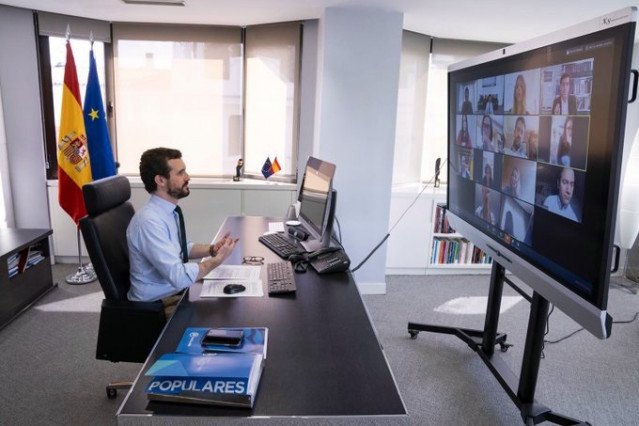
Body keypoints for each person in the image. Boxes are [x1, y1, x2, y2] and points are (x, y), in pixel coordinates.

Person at [127, 147, 239, 317]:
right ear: (160, 180)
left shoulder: (167, 211)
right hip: (157, 306)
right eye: (180, 173)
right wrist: (217, 260)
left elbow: (179, 249)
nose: (188, 177)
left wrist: (212, 249)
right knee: (228, 315)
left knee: (231, 304)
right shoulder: (149, 222)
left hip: (173, 293)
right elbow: (178, 277)